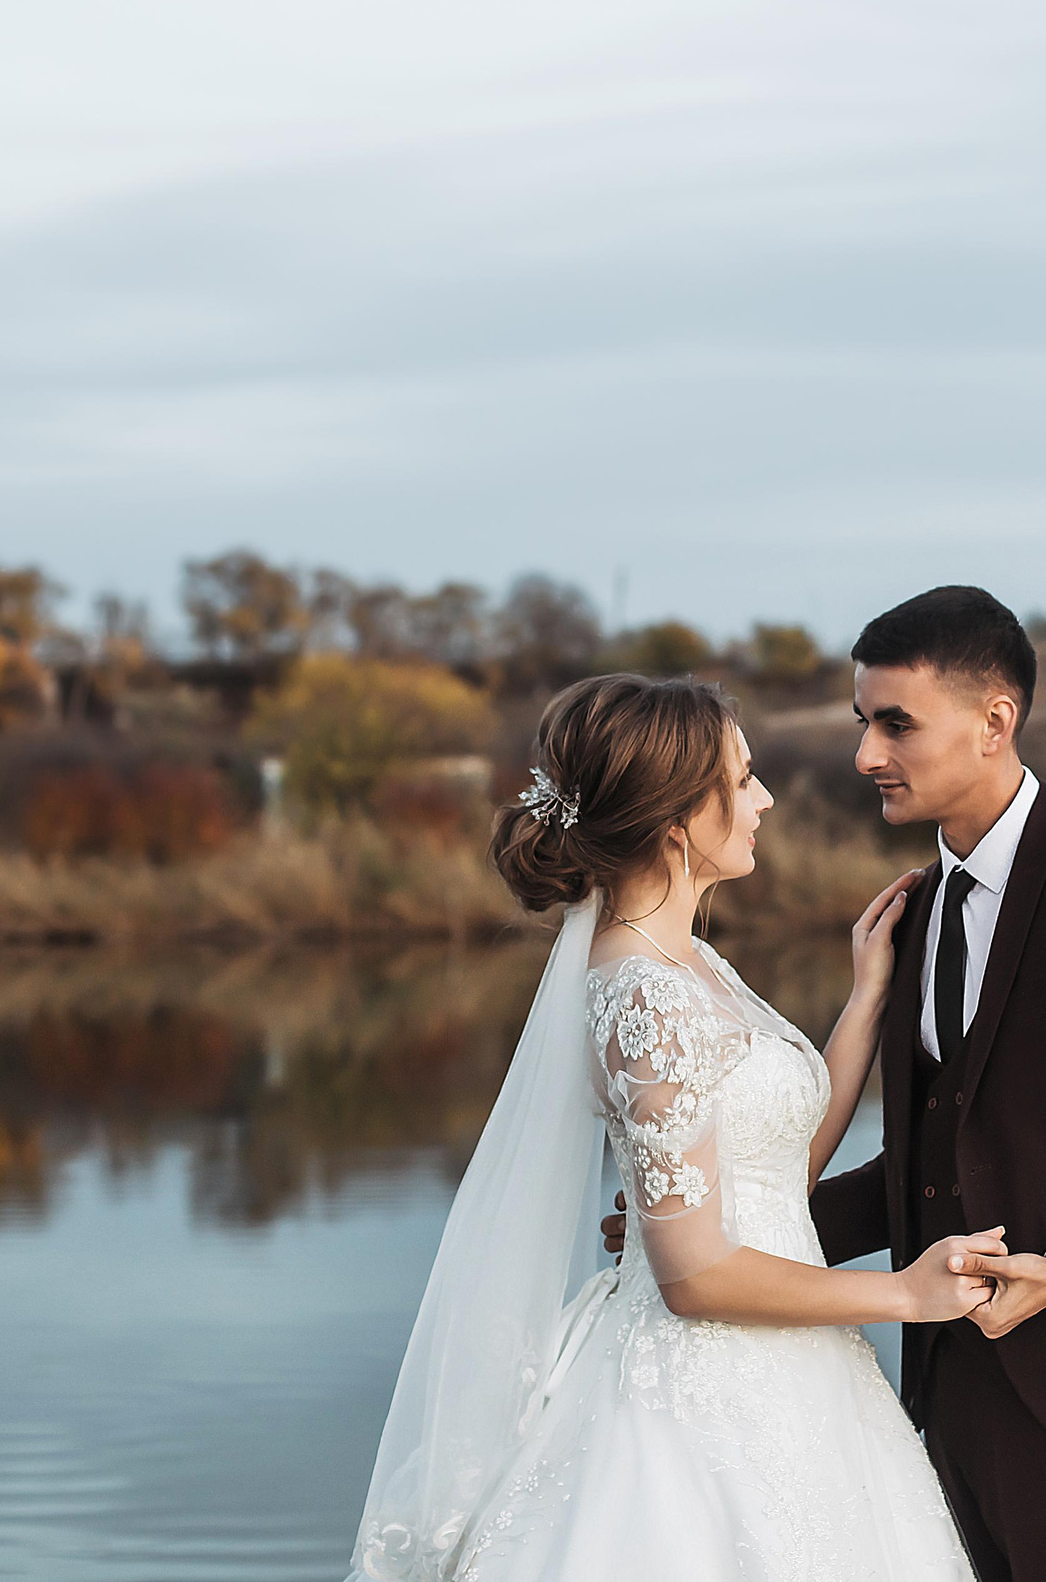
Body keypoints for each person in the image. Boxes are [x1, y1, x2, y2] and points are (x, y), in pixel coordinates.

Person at [612, 586, 1046, 1580]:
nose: (864, 756)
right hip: (936, 1383)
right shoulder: (911, 917)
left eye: (895, 724)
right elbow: (932, 1165)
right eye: (860, 723)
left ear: (992, 723)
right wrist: (706, 1224)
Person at [345, 672, 999, 1581]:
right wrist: (907, 1294)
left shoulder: (685, 959)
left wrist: (864, 1002)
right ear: (676, 820)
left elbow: (774, 1172)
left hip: (793, 1371)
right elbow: (694, 1275)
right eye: (741, 779)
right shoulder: (642, 992)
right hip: (701, 1392)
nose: (764, 797)